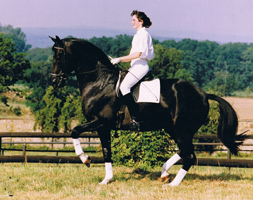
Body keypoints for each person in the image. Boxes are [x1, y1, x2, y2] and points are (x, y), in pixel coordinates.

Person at [111, 10, 154, 130]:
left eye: (134, 20)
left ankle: (136, 119)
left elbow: (137, 54)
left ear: (141, 21)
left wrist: (119, 59)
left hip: (140, 66)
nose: (131, 22)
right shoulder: (138, 35)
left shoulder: (143, 34)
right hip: (135, 66)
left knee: (124, 87)